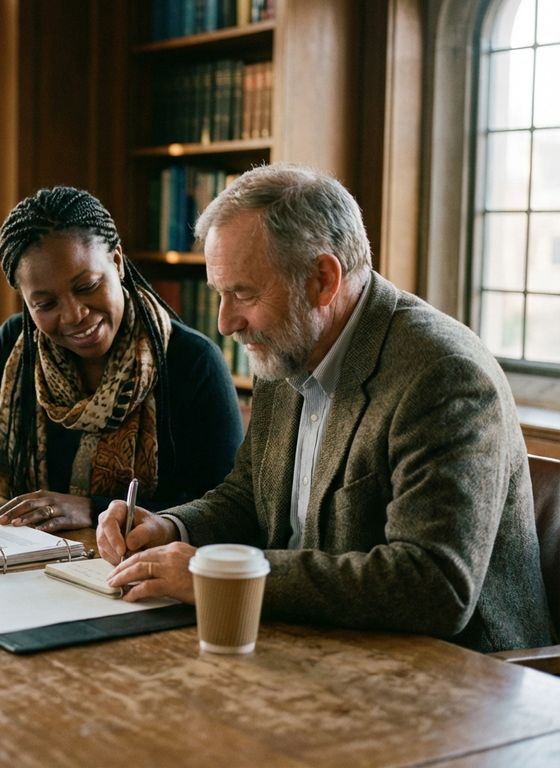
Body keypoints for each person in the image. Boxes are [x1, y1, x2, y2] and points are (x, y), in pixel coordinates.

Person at [97, 164, 552, 653]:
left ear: (322, 280)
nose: (226, 323)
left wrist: (219, 576)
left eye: (243, 294)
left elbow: (432, 586)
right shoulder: (288, 344)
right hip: (313, 642)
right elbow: (249, 497)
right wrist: (169, 527)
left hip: (461, 679)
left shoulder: (442, 375)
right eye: (220, 295)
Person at [0, 185, 243, 532]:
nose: (74, 314)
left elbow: (220, 510)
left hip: (140, 569)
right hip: (27, 562)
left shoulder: (193, 361)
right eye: (46, 304)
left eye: (87, 286)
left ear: (118, 262)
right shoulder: (14, 345)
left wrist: (93, 509)